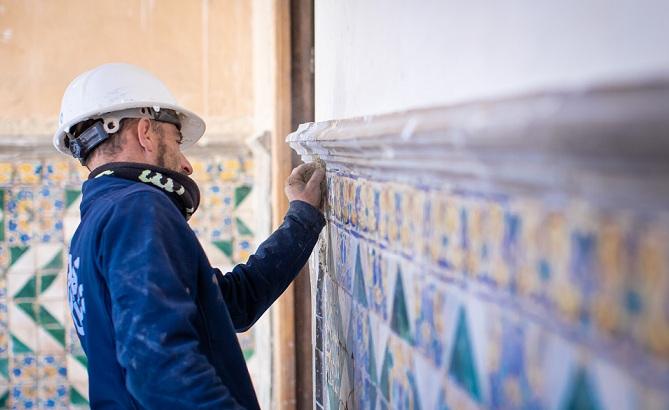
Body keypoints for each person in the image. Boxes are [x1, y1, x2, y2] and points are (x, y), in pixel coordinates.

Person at [53, 63, 325, 409]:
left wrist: (301, 218)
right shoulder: (137, 210)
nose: (186, 164)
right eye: (177, 140)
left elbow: (232, 304)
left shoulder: (96, 224)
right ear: (146, 132)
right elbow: (160, 369)